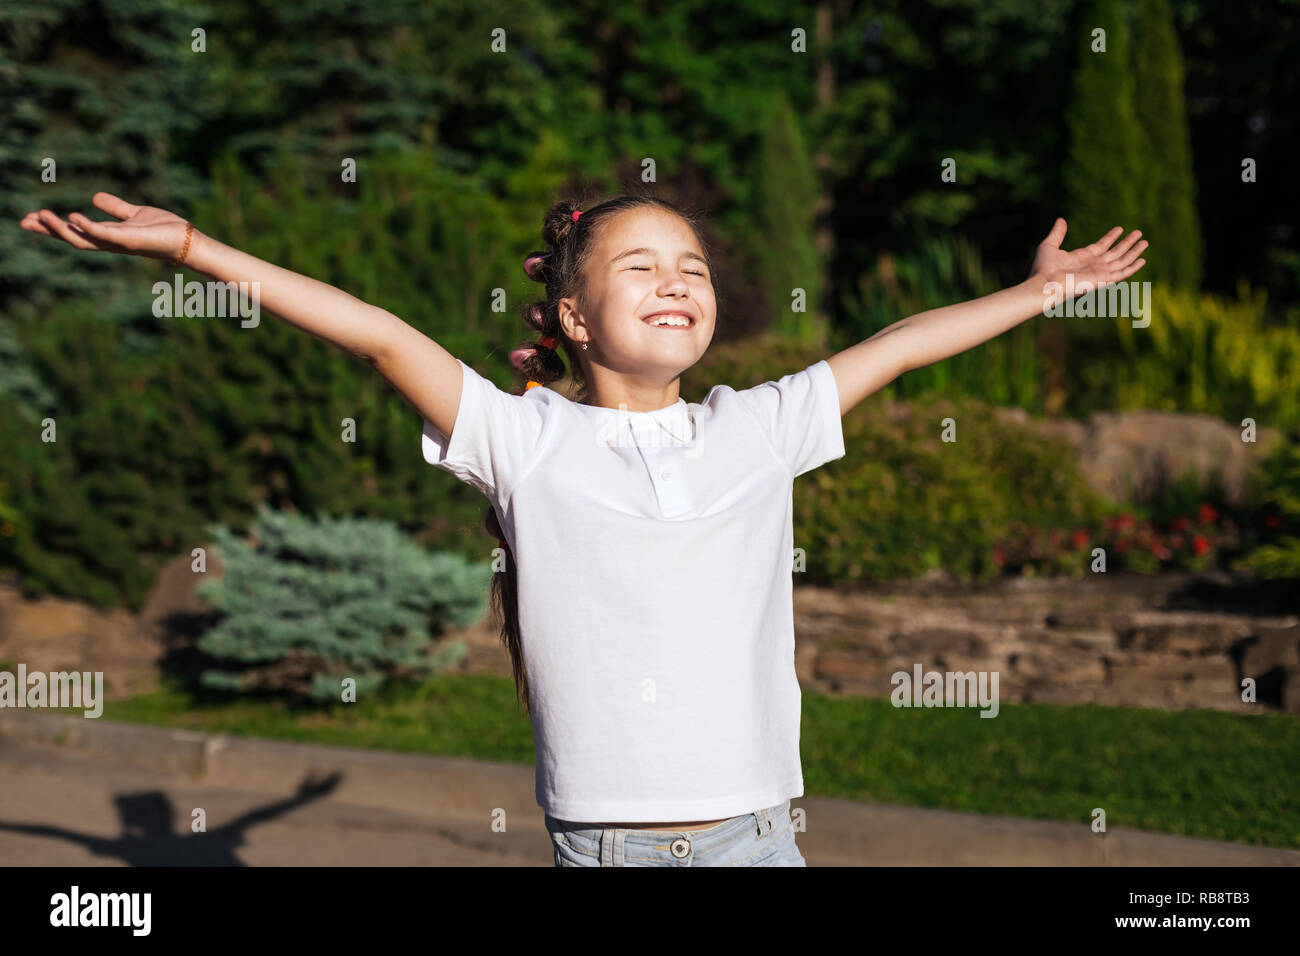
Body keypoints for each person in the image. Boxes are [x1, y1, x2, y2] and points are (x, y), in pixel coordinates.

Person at [21, 192, 1146, 866]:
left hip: (761, 832)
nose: (675, 281)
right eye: (639, 266)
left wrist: (1039, 292)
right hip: (612, 844)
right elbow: (375, 335)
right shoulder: (520, 439)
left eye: (692, 267)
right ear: (571, 313)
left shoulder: (758, 426)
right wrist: (193, 251)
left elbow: (898, 342)